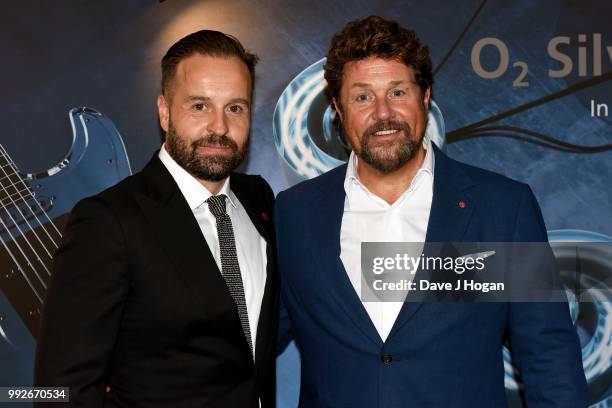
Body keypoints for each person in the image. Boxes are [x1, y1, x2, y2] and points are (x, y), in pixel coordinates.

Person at [275, 16, 587, 407]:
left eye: (398, 93)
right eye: (362, 97)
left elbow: (548, 355)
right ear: (338, 107)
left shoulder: (501, 208)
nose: (383, 113)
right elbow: (254, 341)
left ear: (425, 97)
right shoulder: (294, 213)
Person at [35, 30, 277, 408]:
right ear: (164, 111)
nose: (219, 127)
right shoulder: (108, 222)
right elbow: (59, 391)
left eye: (235, 107)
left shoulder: (259, 199)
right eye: (199, 106)